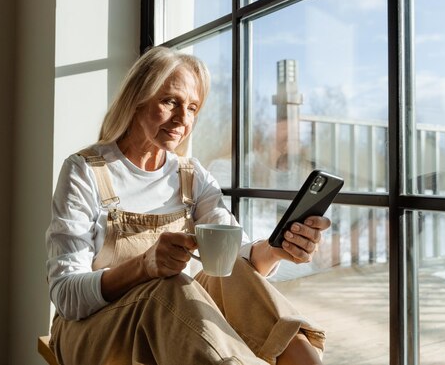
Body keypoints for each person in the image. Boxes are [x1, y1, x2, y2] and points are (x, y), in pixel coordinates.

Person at [46, 46, 330, 365]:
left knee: (229, 271)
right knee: (169, 287)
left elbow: (235, 258)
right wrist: (144, 266)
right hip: (91, 331)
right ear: (137, 99)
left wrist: (277, 249)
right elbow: (67, 296)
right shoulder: (86, 170)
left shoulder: (191, 175)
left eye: (193, 107)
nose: (183, 119)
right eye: (170, 102)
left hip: (167, 327)